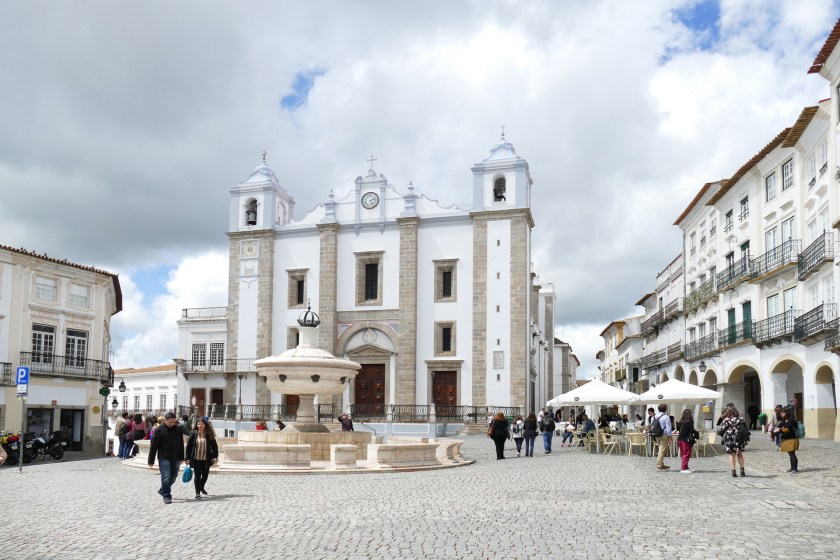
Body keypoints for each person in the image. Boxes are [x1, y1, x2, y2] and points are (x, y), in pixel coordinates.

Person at [148, 412, 186, 504]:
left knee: (173, 477)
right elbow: (153, 446)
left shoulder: (178, 429)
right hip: (164, 457)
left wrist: (182, 457)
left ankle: (162, 490)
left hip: (175, 457)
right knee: (165, 477)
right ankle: (166, 495)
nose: (172, 424)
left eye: (174, 422)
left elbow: (181, 444)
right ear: (165, 420)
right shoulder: (159, 430)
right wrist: (151, 460)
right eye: (170, 422)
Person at [185, 417, 219, 499]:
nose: (200, 425)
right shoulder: (193, 434)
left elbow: (214, 447)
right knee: (197, 475)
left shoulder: (209, 434)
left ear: (205, 425)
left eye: (201, 424)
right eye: (198, 424)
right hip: (196, 458)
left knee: (205, 475)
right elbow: (189, 447)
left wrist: (215, 457)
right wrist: (187, 458)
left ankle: (201, 487)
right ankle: (197, 493)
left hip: (206, 458)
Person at [716, 405, 748, 477]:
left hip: (729, 439)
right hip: (739, 438)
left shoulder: (726, 420)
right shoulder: (741, 419)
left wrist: (720, 432)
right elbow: (745, 429)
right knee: (740, 454)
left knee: (732, 455)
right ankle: (742, 470)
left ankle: (733, 472)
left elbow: (720, 430)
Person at [676, 409, 699, 474]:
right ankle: (683, 468)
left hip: (680, 438)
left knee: (683, 453)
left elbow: (678, 429)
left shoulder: (681, 421)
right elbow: (691, 430)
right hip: (686, 439)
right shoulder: (689, 422)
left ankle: (685, 466)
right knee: (686, 453)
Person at [778, 407, 799, 473]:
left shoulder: (792, 420)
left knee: (792, 454)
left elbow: (788, 429)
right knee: (790, 454)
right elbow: (781, 426)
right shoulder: (787, 420)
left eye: (783, 412)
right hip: (787, 439)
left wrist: (780, 430)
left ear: (787, 413)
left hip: (791, 439)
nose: (781, 413)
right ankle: (792, 468)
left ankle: (795, 469)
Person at [652, 404, 672, 471]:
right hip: (664, 435)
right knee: (662, 450)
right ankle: (659, 466)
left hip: (656, 435)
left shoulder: (654, 417)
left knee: (661, 449)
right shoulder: (666, 417)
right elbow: (668, 428)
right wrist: (670, 437)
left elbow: (652, 426)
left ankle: (662, 464)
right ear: (665, 409)